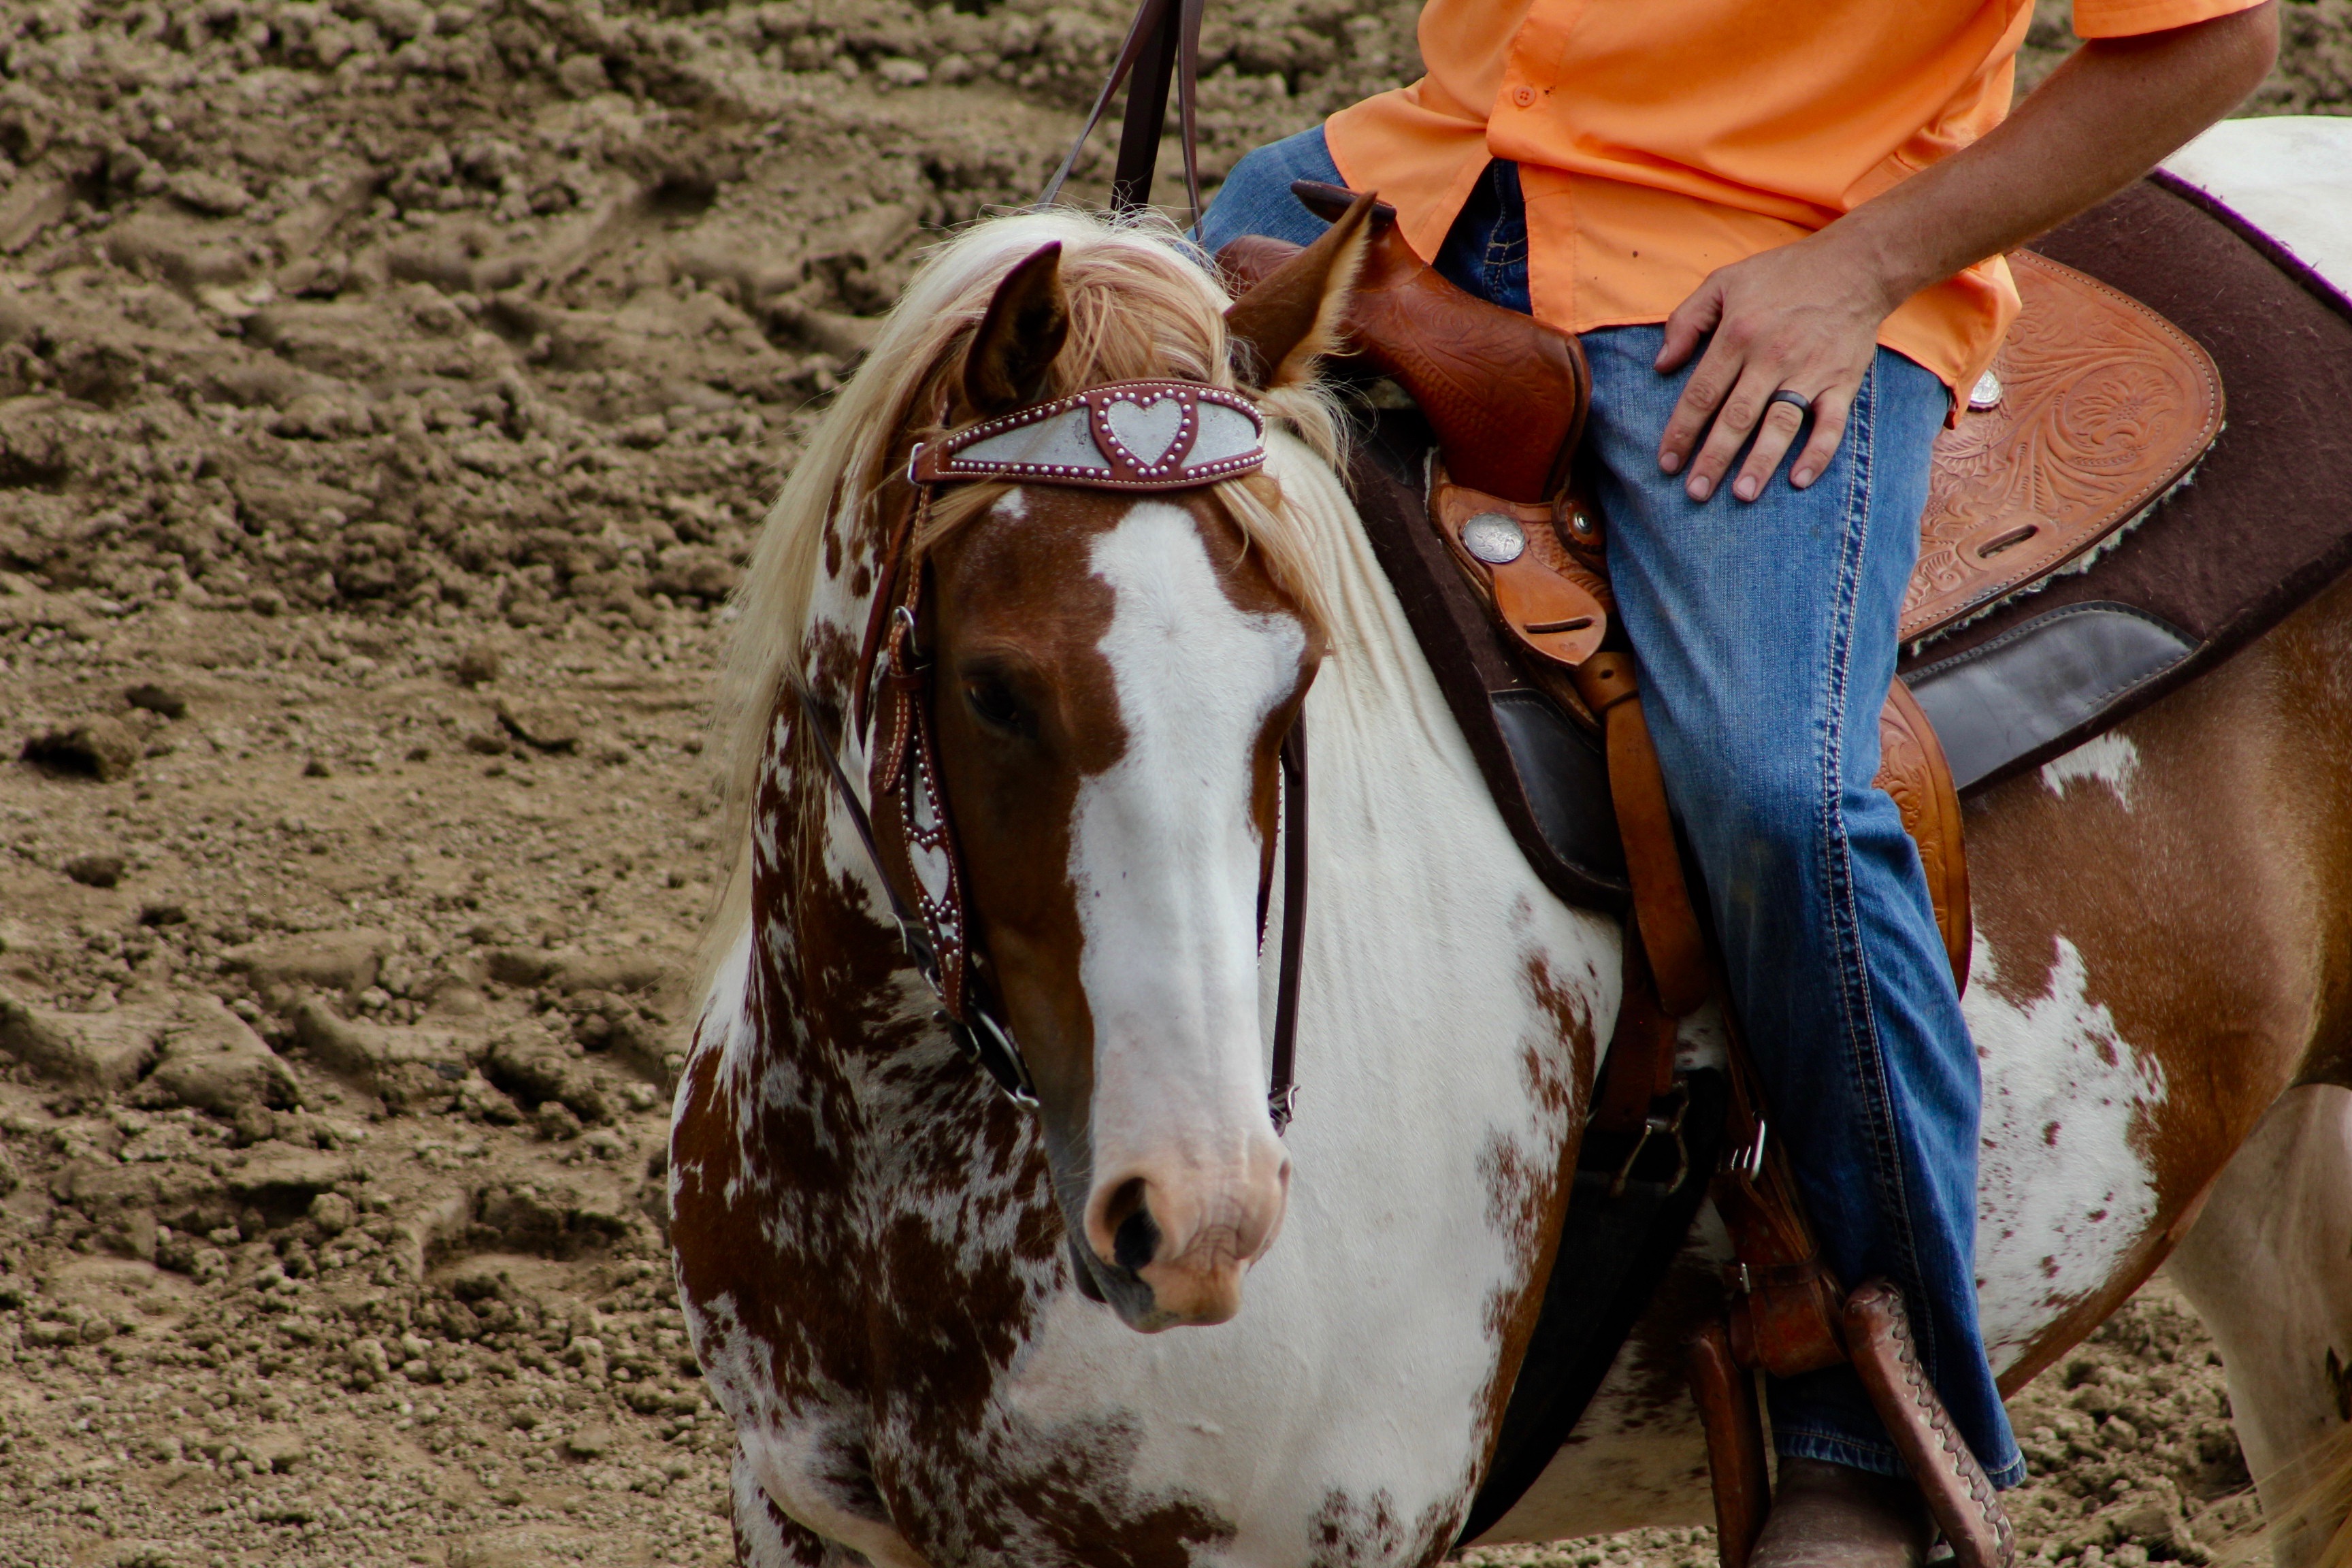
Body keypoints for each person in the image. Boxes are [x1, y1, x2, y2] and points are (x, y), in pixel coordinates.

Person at [1199, 3, 2279, 1563]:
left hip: (1757, 269)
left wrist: (1860, 271)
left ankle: (1873, 1417)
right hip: (1410, 180)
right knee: (1038, 554)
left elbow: (2212, 40)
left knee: (1779, 793)